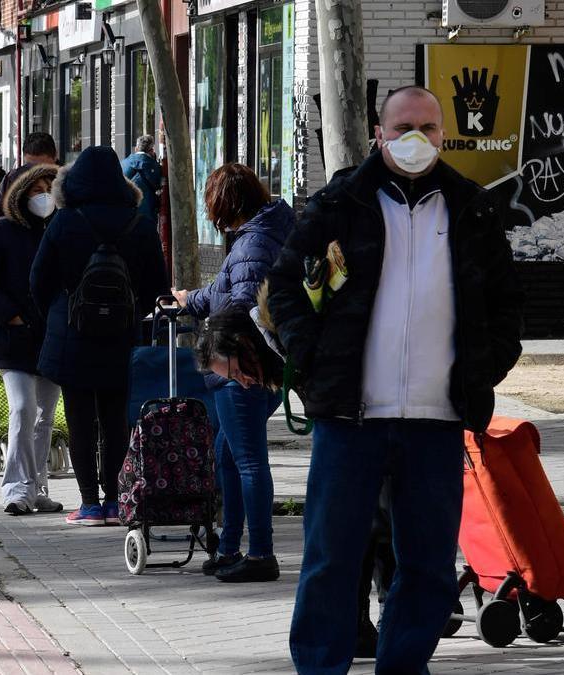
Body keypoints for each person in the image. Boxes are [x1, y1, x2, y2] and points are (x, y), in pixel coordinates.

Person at [266, 86, 523, 673]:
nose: (416, 139)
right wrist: (310, 360)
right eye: (403, 126)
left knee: (429, 566)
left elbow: (508, 302)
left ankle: (403, 665)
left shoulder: (471, 209)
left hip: (436, 421)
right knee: (331, 558)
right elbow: (283, 287)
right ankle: (319, 666)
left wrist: (485, 369)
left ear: (443, 135)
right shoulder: (340, 205)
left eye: (429, 128)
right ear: (378, 133)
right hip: (350, 419)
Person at [30, 145, 167, 526]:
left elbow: (38, 279)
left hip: (72, 334)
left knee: (79, 419)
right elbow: (159, 284)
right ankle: (117, 500)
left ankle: (89, 503)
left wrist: (56, 315)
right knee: (115, 419)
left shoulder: (64, 220)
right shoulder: (138, 224)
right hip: (121, 336)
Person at [170, 163, 295, 582]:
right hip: (254, 366)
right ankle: (229, 547)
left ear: (228, 204)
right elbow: (229, 290)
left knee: (248, 462)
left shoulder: (253, 244)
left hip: (242, 366)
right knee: (228, 454)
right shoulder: (264, 234)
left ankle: (260, 553)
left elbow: (241, 304)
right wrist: (192, 299)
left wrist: (214, 336)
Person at [0, 163, 63, 515]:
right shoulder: (2, 232)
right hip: (16, 338)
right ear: (21, 193)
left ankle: (36, 488)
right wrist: (12, 315)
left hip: (53, 337)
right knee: (23, 409)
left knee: (45, 417)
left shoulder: (62, 229)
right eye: (36, 189)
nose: (44, 196)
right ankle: (15, 488)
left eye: (49, 188)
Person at [0, 132, 58, 217]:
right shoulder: (14, 178)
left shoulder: (67, 180)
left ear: (55, 156)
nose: (38, 174)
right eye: (30, 167)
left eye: (43, 168)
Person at [122, 135, 162, 224]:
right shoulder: (153, 165)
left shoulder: (123, 163)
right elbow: (159, 185)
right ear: (151, 151)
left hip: (126, 214)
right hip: (146, 214)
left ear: (136, 148)